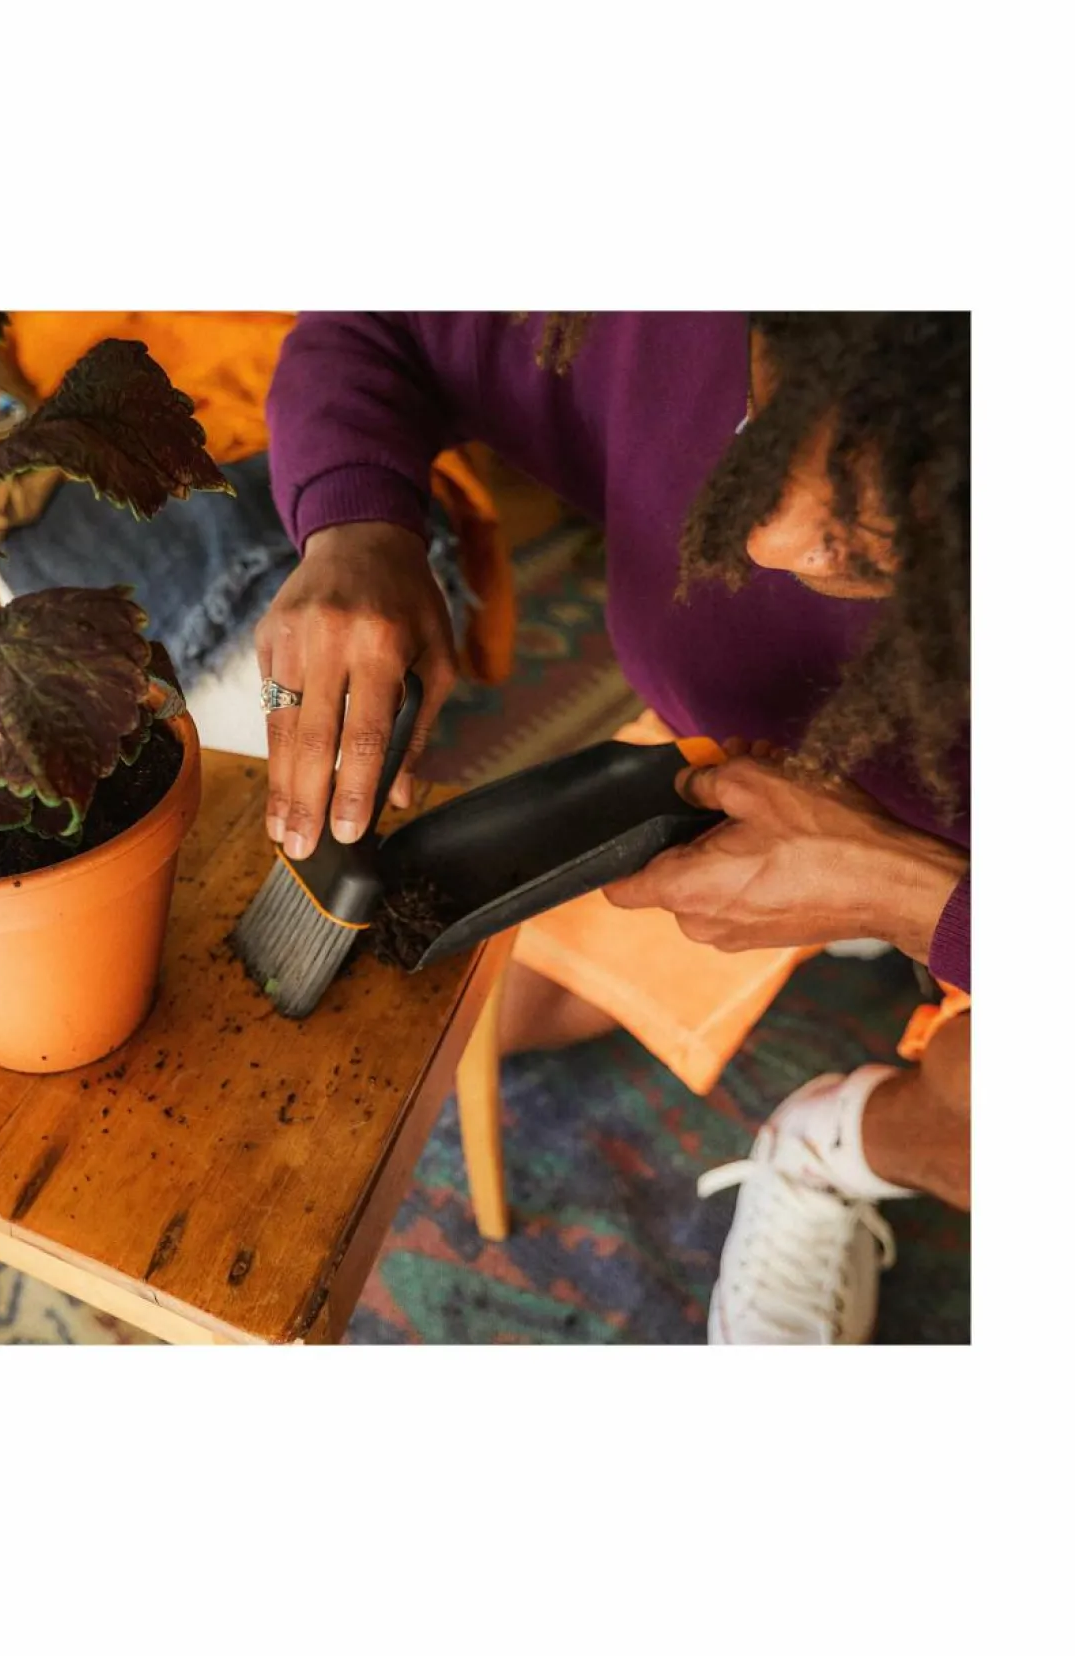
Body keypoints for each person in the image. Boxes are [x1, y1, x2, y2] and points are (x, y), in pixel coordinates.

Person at [257, 312, 970, 1345]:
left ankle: (830, 1146)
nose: (762, 539)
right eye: (760, 428)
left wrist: (911, 897)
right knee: (453, 1017)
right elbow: (375, 327)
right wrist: (354, 526)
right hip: (741, 769)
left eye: (869, 522)